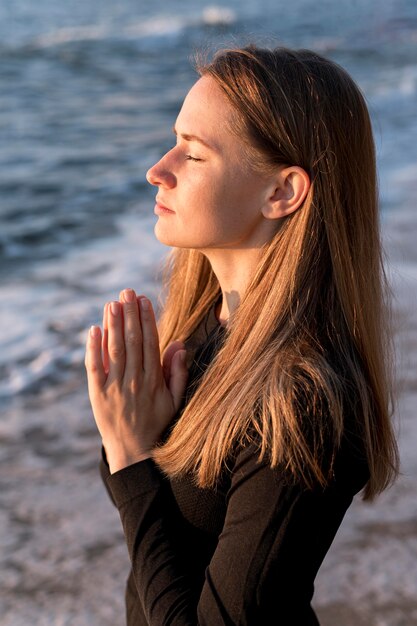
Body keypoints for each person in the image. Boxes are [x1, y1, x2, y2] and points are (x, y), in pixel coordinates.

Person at [85, 44, 399, 625]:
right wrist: (130, 435)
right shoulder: (203, 328)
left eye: (194, 154)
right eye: (174, 138)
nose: (159, 168)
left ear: (282, 192)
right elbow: (166, 532)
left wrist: (130, 457)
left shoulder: (303, 399)